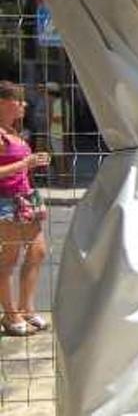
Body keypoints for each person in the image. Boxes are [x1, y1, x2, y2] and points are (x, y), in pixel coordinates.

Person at [0, 81, 50, 336]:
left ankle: (26, 308)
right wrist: (23, 164)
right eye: (18, 100)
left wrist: (32, 163)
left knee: (38, 251)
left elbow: (18, 164)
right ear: (2, 103)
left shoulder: (14, 131)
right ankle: (10, 315)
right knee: (9, 258)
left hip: (25, 198)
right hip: (6, 201)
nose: (24, 104)